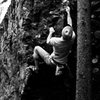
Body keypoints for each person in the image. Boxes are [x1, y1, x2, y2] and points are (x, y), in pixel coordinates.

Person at [28, 6, 76, 75]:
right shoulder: (72, 38)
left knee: (36, 48)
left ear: (61, 34)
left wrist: (51, 32)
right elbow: (70, 24)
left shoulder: (56, 41)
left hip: (52, 62)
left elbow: (48, 41)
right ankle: (62, 69)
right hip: (63, 61)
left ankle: (37, 68)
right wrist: (68, 12)